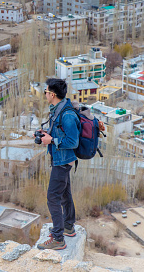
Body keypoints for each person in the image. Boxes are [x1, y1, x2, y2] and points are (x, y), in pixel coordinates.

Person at [36, 78, 80, 250]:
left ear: (52, 94)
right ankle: (68, 227)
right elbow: (59, 133)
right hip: (61, 159)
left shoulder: (67, 114)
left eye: (46, 92)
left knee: (52, 197)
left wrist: (52, 140)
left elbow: (73, 141)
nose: (45, 95)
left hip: (63, 161)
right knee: (64, 194)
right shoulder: (57, 109)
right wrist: (46, 135)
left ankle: (58, 238)